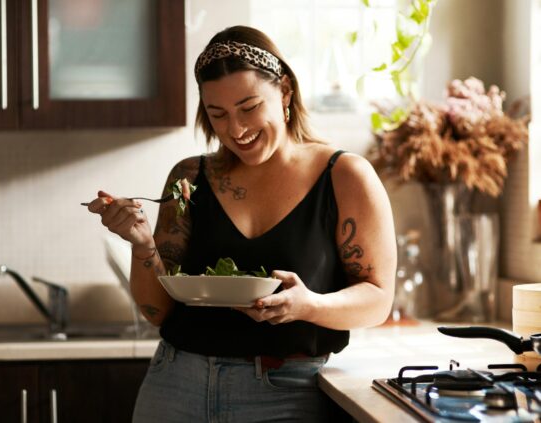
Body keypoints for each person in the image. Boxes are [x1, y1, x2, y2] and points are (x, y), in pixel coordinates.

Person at [87, 25, 396, 423]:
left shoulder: (344, 176)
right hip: (174, 385)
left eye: (249, 108)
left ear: (284, 91)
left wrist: (308, 306)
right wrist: (142, 244)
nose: (237, 130)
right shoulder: (190, 178)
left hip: (287, 394)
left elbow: (377, 300)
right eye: (218, 115)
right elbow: (157, 312)